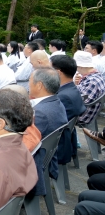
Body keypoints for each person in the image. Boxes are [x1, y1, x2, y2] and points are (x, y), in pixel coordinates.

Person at [28, 67, 68, 197]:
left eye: (30, 80)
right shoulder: (55, 102)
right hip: (48, 156)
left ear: (39, 85)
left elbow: (24, 142)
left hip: (35, 162)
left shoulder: (41, 113)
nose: (28, 84)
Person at [51, 55, 86, 171]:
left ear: (58, 72)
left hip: (56, 146)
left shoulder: (63, 96)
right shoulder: (71, 89)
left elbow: (49, 123)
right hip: (65, 139)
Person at [74, 50, 105, 125]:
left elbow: (81, 101)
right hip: (86, 112)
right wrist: (76, 85)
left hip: (82, 116)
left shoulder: (92, 81)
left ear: (80, 66)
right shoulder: (95, 75)